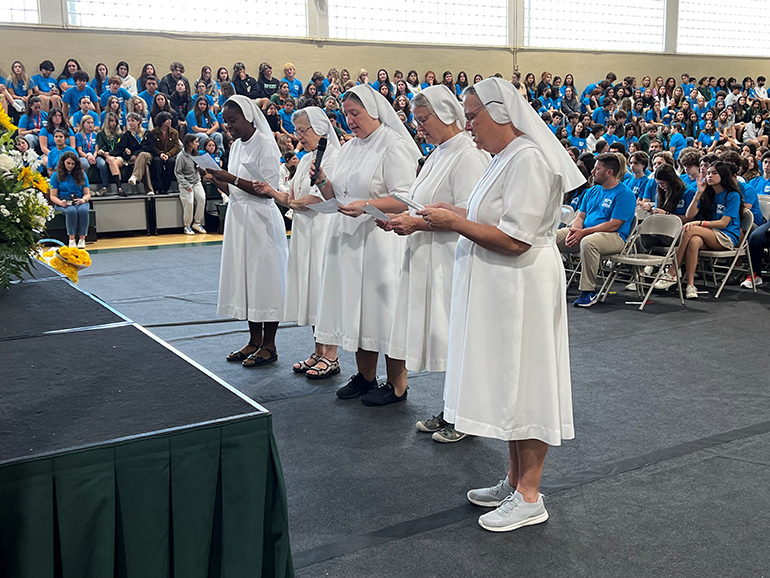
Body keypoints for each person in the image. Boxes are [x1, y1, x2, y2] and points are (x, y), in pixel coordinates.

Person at [417, 78, 580, 532]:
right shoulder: (504, 157)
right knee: (510, 380)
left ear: (501, 113)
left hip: (521, 282)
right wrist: (452, 213)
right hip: (504, 286)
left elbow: (514, 238)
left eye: (472, 116)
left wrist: (455, 220)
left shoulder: (527, 158)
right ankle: (513, 481)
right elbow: (490, 216)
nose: (466, 125)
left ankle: (530, 495)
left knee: (525, 381)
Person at [379, 86, 490, 441]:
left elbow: (469, 215)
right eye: (416, 121)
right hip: (430, 255)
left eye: (424, 120)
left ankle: (467, 416)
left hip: (451, 259)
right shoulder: (440, 153)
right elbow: (424, 203)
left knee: (457, 339)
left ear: (446, 114)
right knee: (447, 340)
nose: (420, 128)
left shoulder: (468, 156)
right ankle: (454, 409)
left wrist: (417, 221)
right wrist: (404, 217)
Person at [311, 84, 420, 405]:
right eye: (345, 114)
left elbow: (404, 198)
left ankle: (397, 385)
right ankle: (366, 377)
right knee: (358, 310)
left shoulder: (392, 145)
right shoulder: (349, 147)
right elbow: (336, 194)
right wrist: (321, 181)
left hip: (380, 240)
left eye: (355, 114)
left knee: (383, 312)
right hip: (348, 240)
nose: (349, 120)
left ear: (374, 111)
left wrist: (367, 203)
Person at [253, 107, 342, 378]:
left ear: (320, 129)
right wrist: (271, 192)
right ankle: (317, 350)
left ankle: (332, 354)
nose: (299, 136)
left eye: (303, 131)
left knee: (323, 290)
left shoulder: (336, 157)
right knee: (310, 289)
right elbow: (292, 197)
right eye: (298, 131)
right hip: (305, 233)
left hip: (324, 232)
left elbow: (325, 197)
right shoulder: (305, 160)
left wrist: (297, 202)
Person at [205, 96, 287, 368]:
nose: (229, 127)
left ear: (249, 118)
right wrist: (218, 180)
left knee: (265, 280)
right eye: (226, 122)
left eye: (233, 121)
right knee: (248, 279)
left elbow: (268, 191)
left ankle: (270, 344)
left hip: (261, 219)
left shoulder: (265, 144)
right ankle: (254, 340)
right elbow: (234, 189)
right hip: (239, 217)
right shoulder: (236, 146)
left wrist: (231, 178)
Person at [556, 153, 636, 307]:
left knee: (588, 242)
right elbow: (580, 217)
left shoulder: (625, 195)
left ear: (609, 172)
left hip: (614, 237)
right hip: (586, 232)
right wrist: (575, 230)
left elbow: (614, 224)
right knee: (551, 237)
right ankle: (551, 282)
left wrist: (583, 233)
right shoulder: (592, 191)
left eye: (597, 169)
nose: (592, 172)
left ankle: (588, 291)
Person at [656, 161, 742, 299]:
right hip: (711, 234)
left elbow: (724, 223)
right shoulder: (708, 193)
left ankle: (673, 271)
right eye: (708, 173)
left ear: (723, 175)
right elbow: (690, 215)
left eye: (714, 173)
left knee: (689, 229)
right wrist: (698, 193)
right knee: (694, 241)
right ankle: (690, 285)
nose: (710, 176)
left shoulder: (732, 195)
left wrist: (699, 223)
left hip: (727, 236)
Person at [49, 151, 91, 249]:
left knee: (83, 210)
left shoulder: (82, 174)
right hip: (63, 201)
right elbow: (53, 196)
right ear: (63, 162)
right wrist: (60, 202)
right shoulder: (55, 175)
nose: (70, 166)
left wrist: (84, 200)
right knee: (71, 211)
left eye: (73, 164)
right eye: (68, 163)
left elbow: (87, 194)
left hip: (79, 200)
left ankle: (82, 239)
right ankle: (71, 239)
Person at [174, 134, 208, 235]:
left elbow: (198, 167)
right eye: (196, 142)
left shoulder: (196, 154)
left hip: (196, 181)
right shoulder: (181, 156)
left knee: (202, 198)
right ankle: (187, 225)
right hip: (185, 183)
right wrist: (186, 185)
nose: (198, 144)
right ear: (190, 143)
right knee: (189, 202)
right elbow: (178, 172)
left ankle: (197, 222)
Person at [148, 111, 180, 194]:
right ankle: (157, 186)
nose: (169, 121)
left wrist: (168, 154)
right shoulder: (153, 132)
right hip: (158, 154)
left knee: (172, 162)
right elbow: (152, 146)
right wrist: (161, 153)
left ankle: (165, 187)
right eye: (167, 119)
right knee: (156, 162)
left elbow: (176, 146)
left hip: (170, 154)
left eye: (170, 119)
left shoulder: (175, 132)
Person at [76, 115, 109, 195]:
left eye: (92, 123)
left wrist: (94, 156)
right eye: (88, 123)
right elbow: (79, 150)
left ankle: (105, 187)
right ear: (83, 124)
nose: (90, 125)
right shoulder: (79, 135)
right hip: (84, 155)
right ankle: (84, 187)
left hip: (94, 155)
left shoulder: (96, 134)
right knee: (84, 165)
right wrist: (88, 156)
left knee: (102, 164)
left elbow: (96, 148)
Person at [96, 112, 125, 195]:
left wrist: (112, 154)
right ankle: (119, 188)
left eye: (115, 121)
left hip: (119, 156)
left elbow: (121, 148)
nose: (113, 123)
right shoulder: (101, 134)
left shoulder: (121, 134)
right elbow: (102, 146)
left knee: (111, 160)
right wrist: (104, 152)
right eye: (111, 121)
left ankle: (119, 187)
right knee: (111, 160)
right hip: (108, 156)